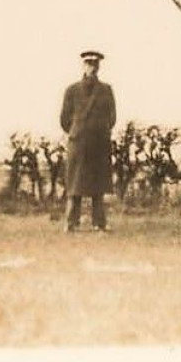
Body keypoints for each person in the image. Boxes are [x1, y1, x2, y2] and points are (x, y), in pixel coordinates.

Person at [59, 49, 116, 232]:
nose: (92, 67)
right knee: (75, 187)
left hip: (99, 144)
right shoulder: (72, 90)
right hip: (79, 144)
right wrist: (78, 132)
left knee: (97, 188)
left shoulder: (106, 90)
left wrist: (100, 130)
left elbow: (112, 117)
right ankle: (70, 223)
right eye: (89, 63)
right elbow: (64, 119)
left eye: (95, 64)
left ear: (99, 66)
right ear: (83, 65)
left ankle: (99, 223)